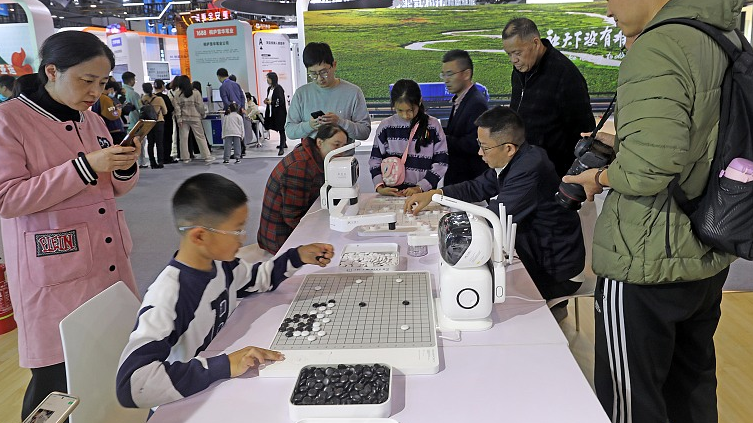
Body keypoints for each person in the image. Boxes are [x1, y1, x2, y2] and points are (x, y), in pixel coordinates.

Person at [561, 1, 740, 422]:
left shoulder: (658, 46)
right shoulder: (724, 35)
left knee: (631, 401)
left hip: (645, 253)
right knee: (692, 389)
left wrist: (599, 178)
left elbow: (647, 170)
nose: (608, 10)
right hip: (707, 243)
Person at [0, 30, 142, 421]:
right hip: (54, 273)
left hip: (107, 261)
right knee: (56, 378)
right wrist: (85, 167)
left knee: (105, 364)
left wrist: (125, 163)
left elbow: (114, 189)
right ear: (52, 71)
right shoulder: (9, 121)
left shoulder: (92, 120)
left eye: (102, 82)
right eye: (86, 80)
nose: (96, 91)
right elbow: (7, 198)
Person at [116, 173, 334, 408]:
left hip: (218, 384)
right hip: (183, 401)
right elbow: (132, 386)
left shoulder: (221, 265)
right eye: (236, 231)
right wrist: (225, 365)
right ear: (199, 235)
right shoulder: (169, 295)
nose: (243, 239)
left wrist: (297, 256)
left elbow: (259, 278)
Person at [404, 106, 584, 304]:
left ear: (508, 148)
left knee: (481, 292)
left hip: (555, 270)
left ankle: (557, 309)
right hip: (533, 253)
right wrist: (435, 194)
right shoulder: (517, 159)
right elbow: (478, 187)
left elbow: (495, 217)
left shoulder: (529, 168)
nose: (480, 152)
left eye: (485, 147)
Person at [502, 18, 595, 178]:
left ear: (536, 43)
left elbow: (583, 132)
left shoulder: (565, 75)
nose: (513, 60)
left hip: (553, 174)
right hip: (522, 169)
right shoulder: (519, 71)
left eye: (517, 53)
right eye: (509, 54)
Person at [258, 124, 348, 254]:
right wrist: (321, 233)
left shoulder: (312, 157)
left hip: (286, 230)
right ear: (320, 142)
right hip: (281, 240)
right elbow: (292, 216)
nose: (341, 151)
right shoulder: (300, 166)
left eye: (344, 146)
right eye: (336, 145)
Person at [369, 79, 448, 197]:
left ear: (420, 101)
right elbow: (375, 159)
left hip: (423, 196)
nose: (405, 115)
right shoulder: (386, 126)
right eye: (400, 110)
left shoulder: (433, 125)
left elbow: (441, 162)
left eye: (410, 110)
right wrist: (380, 186)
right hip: (392, 194)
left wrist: (421, 187)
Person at [285, 42, 371, 143]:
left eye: (324, 72)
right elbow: (290, 131)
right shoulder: (301, 94)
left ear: (334, 65)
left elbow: (365, 132)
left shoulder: (353, 92)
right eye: (313, 74)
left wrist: (340, 122)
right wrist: (310, 125)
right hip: (310, 157)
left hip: (342, 157)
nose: (319, 78)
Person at [440, 49, 489, 185]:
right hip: (458, 179)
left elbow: (474, 144)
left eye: (450, 74)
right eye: (443, 75)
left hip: (469, 182)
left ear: (466, 74)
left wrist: (441, 138)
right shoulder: (460, 100)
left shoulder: (476, 103)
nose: (446, 80)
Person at [172, 75, 214, 163]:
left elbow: (177, 108)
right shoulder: (196, 92)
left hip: (183, 119)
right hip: (195, 118)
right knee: (200, 137)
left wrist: (179, 119)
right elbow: (200, 106)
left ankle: (185, 158)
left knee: (183, 138)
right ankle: (206, 156)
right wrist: (202, 114)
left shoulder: (177, 94)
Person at [121, 71, 147, 168]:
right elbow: (140, 109)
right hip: (135, 122)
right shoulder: (133, 94)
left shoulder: (120, 93)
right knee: (138, 143)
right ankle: (141, 162)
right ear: (131, 80)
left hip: (123, 123)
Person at [141, 82, 168, 168]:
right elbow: (165, 111)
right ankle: (160, 162)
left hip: (148, 123)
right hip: (158, 122)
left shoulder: (141, 100)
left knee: (150, 143)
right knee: (159, 143)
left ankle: (152, 162)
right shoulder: (159, 99)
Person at [92, 80, 126, 144]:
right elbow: (113, 115)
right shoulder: (105, 99)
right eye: (115, 91)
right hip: (114, 132)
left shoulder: (98, 98)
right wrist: (119, 109)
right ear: (111, 89)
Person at [264, 71, 288, 155]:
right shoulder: (269, 89)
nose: (267, 80)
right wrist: (267, 101)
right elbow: (270, 98)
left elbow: (280, 100)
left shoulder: (279, 88)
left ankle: (282, 147)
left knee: (281, 128)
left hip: (279, 113)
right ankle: (283, 143)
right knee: (277, 127)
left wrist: (272, 102)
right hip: (272, 112)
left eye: (268, 78)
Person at [154, 79, 176, 164]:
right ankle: (167, 157)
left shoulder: (153, 97)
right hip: (166, 120)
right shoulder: (164, 97)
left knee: (159, 140)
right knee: (167, 139)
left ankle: (160, 158)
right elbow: (169, 109)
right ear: (162, 86)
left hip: (156, 121)